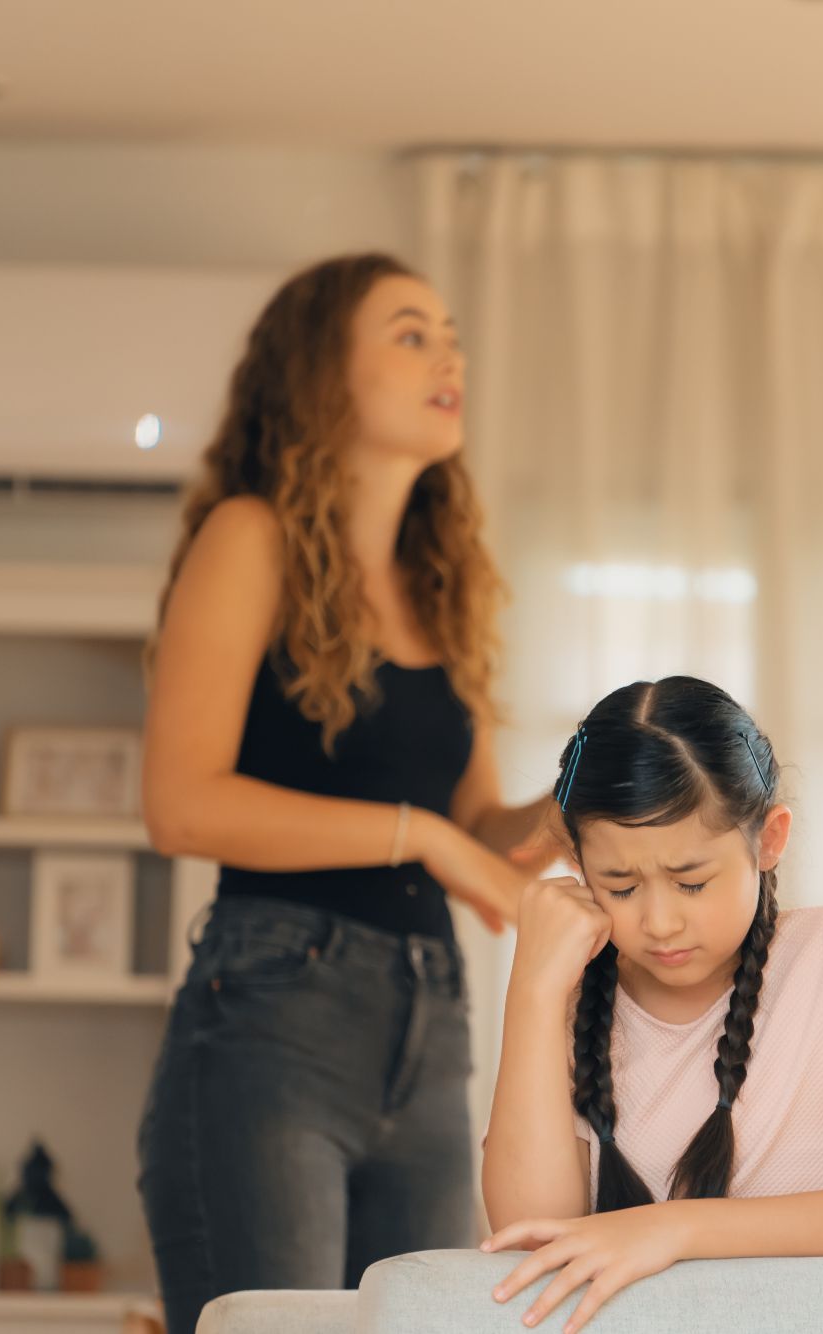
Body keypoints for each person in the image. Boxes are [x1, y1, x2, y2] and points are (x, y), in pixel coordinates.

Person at [135, 252, 552, 1334]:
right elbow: (181, 804)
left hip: (432, 1029)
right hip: (275, 1011)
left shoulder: (439, 583)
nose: (447, 353)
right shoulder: (248, 537)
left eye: (451, 334)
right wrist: (418, 839)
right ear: (320, 373)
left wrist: (573, 803)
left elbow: (483, 843)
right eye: (410, 332)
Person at [480, 676, 823, 1333]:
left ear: (769, 840)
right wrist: (531, 990)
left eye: (691, 881)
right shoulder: (569, 992)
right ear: (579, 869)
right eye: (619, 885)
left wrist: (668, 1229)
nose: (661, 922)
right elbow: (532, 1237)